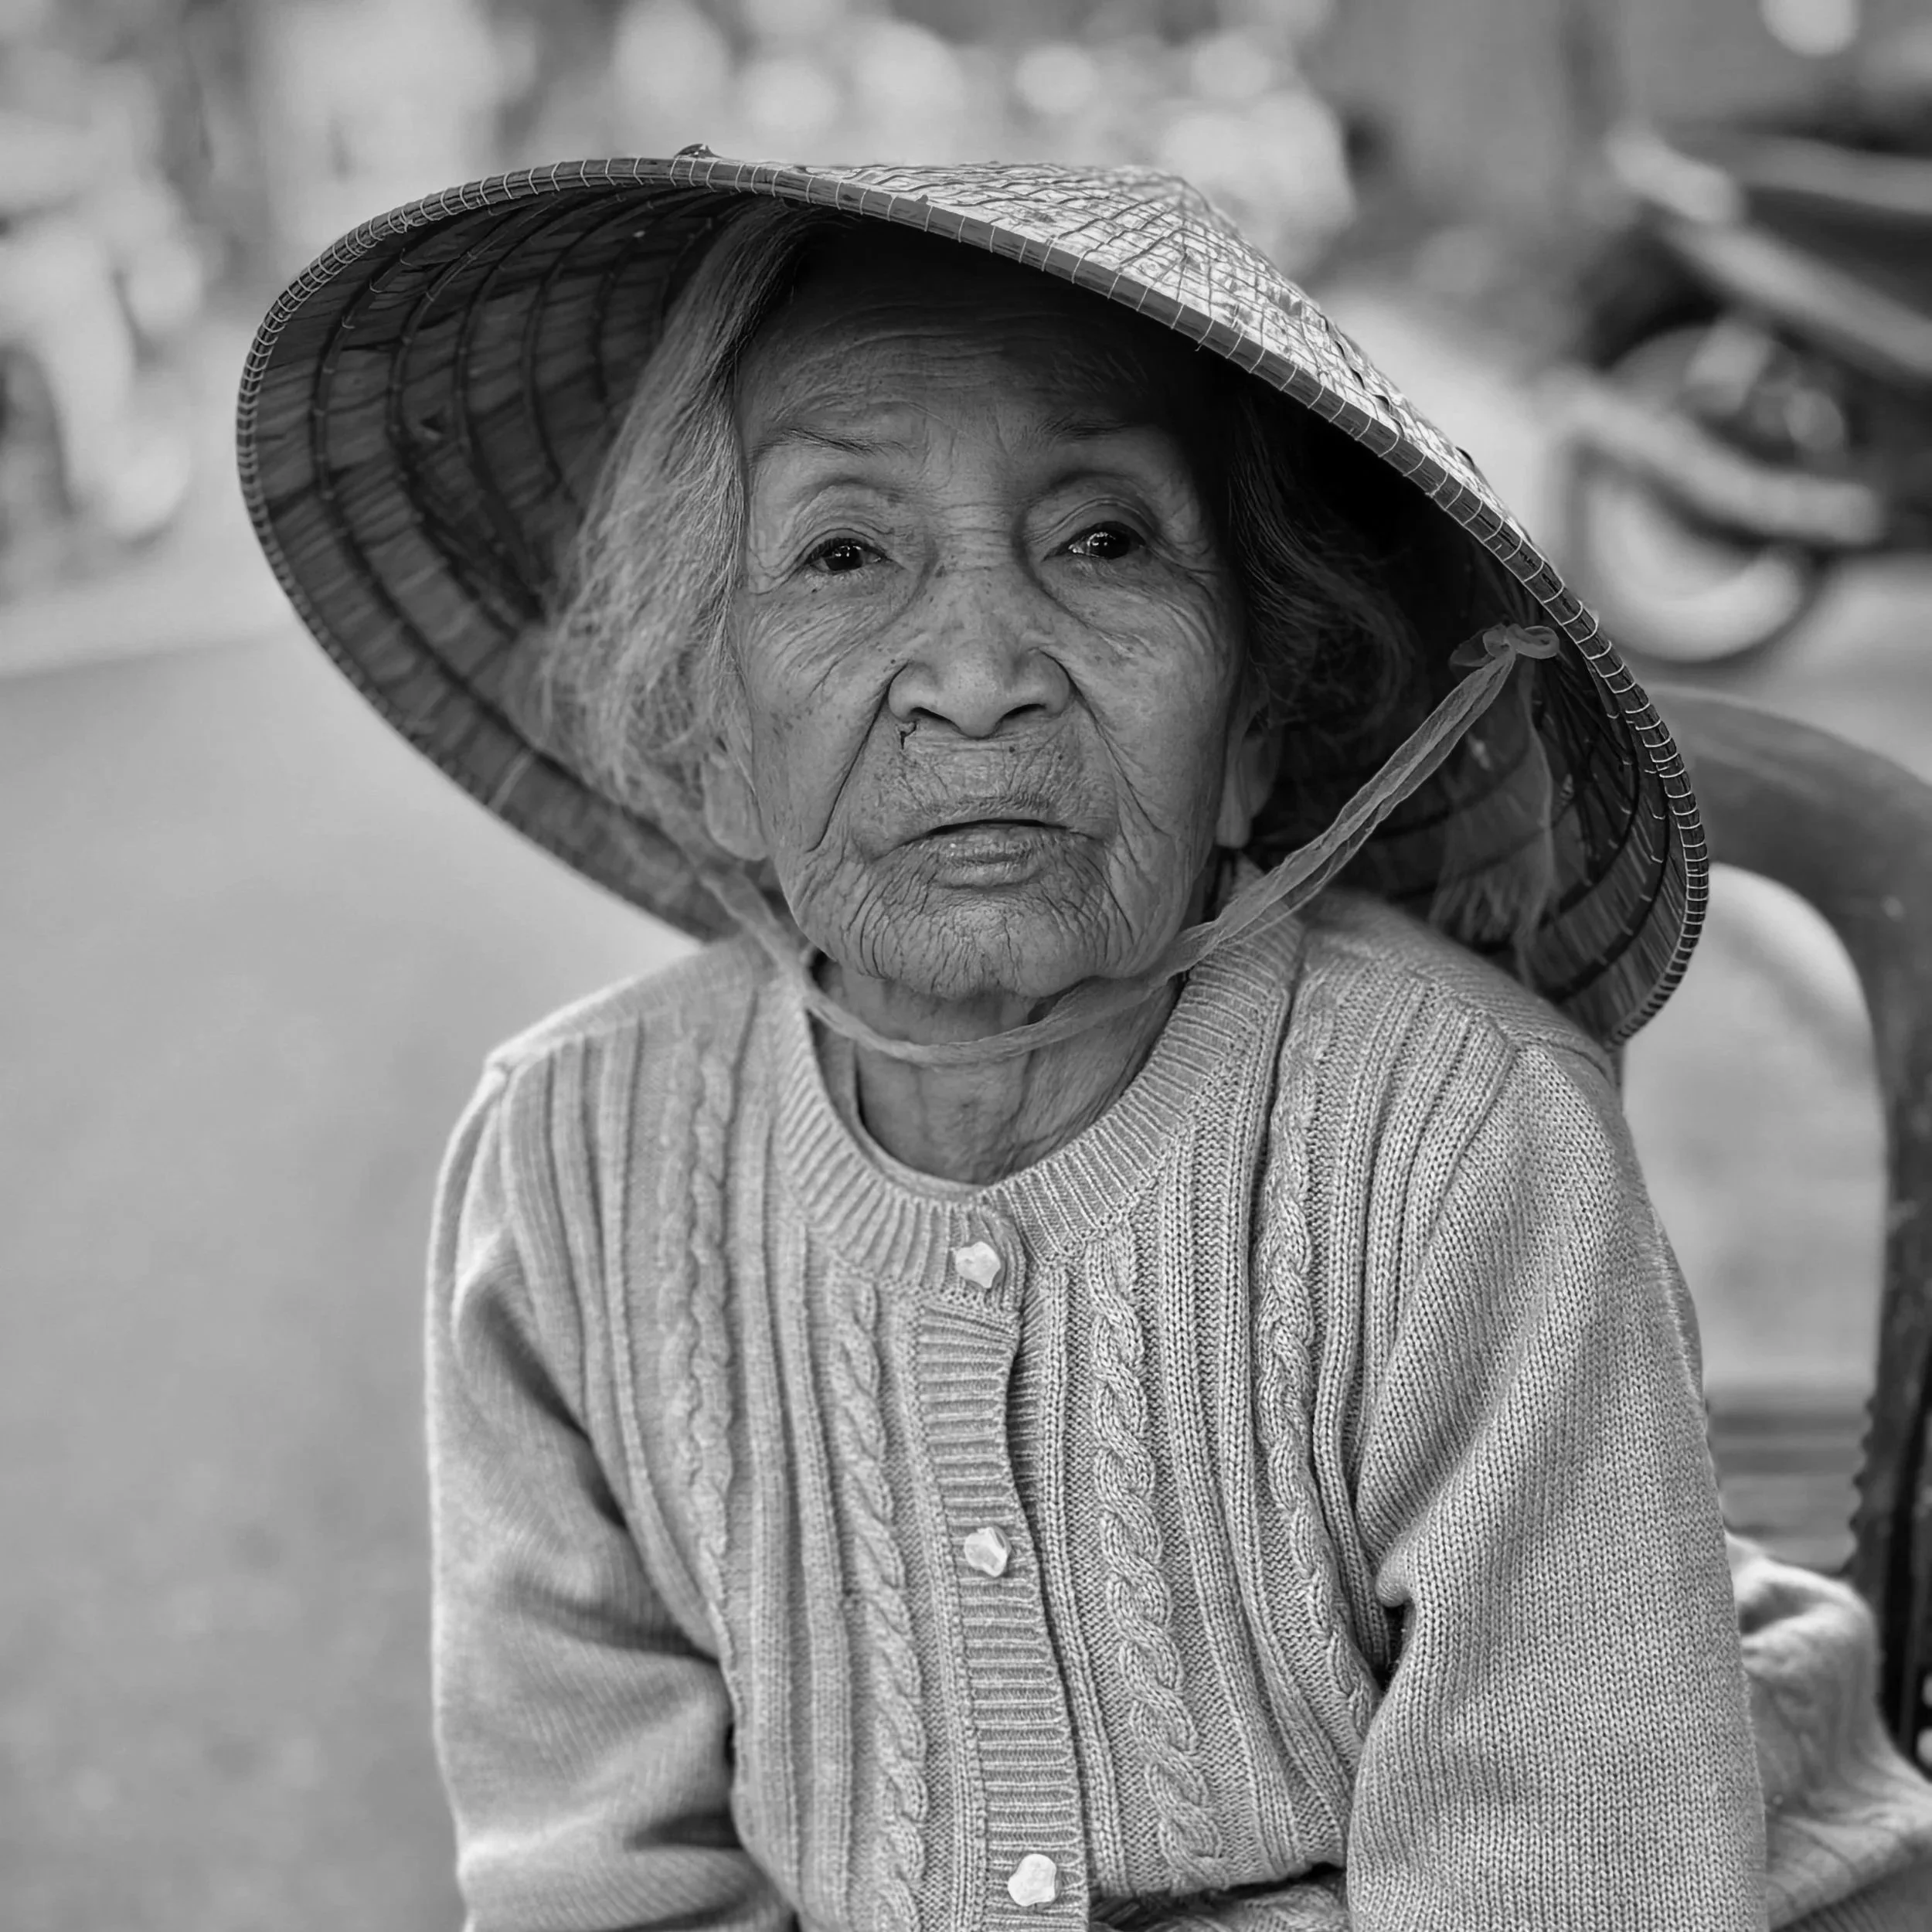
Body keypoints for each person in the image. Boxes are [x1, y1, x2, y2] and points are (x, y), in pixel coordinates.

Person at [237, 155, 1932, 1929]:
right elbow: (593, 1867)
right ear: (707, 736)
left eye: (1101, 540)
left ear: (1259, 729)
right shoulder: (573, 1165)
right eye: (841, 552)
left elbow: (1561, 1877)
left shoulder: (1456, 1133)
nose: (977, 671)